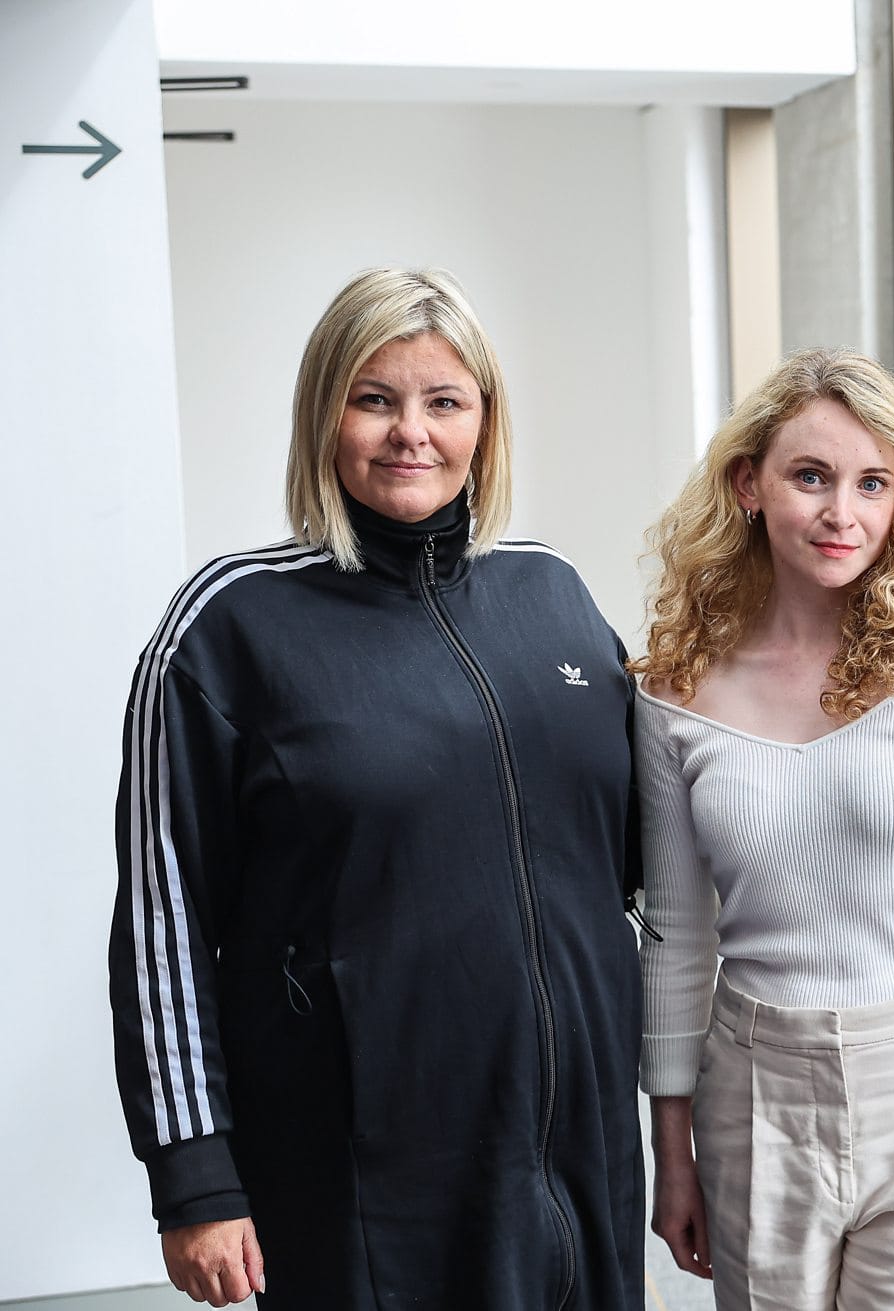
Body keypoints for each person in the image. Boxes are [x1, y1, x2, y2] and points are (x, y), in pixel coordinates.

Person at [107, 268, 645, 1309]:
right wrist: (195, 1181)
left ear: (485, 423)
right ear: (325, 416)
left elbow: (639, 867)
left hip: (577, 1150)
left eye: (444, 402)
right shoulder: (230, 626)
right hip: (359, 1166)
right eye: (375, 399)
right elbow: (163, 929)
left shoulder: (555, 596)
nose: (412, 433)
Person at [633, 347, 894, 1310]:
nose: (842, 513)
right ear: (749, 483)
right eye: (811, 476)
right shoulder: (673, 691)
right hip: (750, 1088)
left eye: (874, 482)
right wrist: (675, 1150)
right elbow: (675, 935)